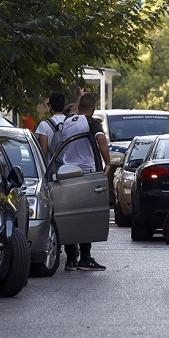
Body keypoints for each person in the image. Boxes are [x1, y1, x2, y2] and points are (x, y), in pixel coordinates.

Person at [61, 93, 112, 271]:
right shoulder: (92, 122)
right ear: (94, 107)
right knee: (86, 215)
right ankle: (85, 257)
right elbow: (101, 139)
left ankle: (70, 259)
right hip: (86, 173)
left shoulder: (68, 121)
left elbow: (75, 111)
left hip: (66, 173)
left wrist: (79, 96)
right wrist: (108, 162)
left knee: (69, 215)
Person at [35, 91, 68, 163]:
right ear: (64, 106)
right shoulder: (70, 122)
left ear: (50, 106)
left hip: (53, 168)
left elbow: (44, 152)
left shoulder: (44, 125)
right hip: (71, 166)